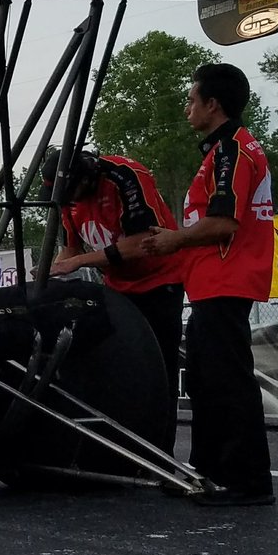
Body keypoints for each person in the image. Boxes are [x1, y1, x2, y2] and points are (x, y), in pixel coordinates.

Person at [142, 63, 275, 507]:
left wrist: (173, 239)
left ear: (212, 104)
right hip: (209, 282)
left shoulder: (232, 150)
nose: (187, 109)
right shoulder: (225, 148)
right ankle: (210, 472)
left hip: (226, 279)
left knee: (228, 382)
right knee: (204, 378)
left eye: (192, 100)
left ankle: (248, 482)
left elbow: (224, 222)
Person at [44, 149, 185, 454]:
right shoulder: (68, 201)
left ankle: (162, 453)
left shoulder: (124, 175)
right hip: (118, 287)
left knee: (160, 370)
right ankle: (123, 449)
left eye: (75, 193)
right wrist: (49, 274)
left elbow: (142, 244)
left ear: (86, 177)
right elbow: (70, 249)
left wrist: (80, 261)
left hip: (160, 281)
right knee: (120, 369)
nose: (74, 202)